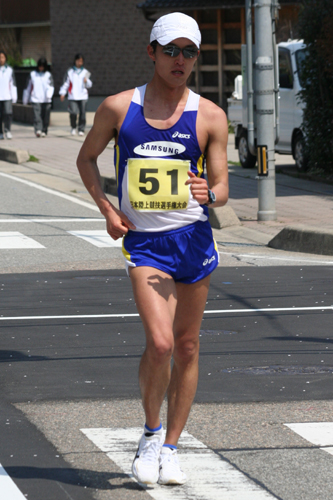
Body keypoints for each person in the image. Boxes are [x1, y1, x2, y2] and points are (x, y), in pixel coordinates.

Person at [76, 12, 228, 486]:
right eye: (171, 51)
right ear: (151, 52)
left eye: (189, 52)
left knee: (186, 345)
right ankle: (149, 431)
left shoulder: (209, 115)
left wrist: (210, 193)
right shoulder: (120, 108)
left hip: (194, 240)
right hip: (144, 244)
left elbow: (222, 187)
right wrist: (106, 208)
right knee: (160, 343)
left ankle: (171, 448)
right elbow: (86, 158)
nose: (180, 60)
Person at [59, 53, 92, 136]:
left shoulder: (86, 72)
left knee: (83, 113)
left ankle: (81, 129)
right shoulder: (70, 72)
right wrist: (63, 93)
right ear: (75, 61)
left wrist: (86, 81)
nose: (79, 62)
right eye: (78, 61)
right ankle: (73, 127)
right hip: (72, 96)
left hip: (83, 96)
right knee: (73, 112)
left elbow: (89, 85)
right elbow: (66, 83)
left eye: (81, 61)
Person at [23, 57, 54, 137]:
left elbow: (51, 86)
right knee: (37, 116)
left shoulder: (48, 75)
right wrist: (25, 99)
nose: (41, 68)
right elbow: (28, 87)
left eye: (43, 66)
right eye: (40, 66)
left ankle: (44, 130)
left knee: (45, 116)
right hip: (35, 98)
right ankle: (38, 130)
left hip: (46, 99)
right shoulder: (33, 74)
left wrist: (49, 95)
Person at [0, 50, 17, 140]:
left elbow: (13, 83)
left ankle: (7, 130)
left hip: (7, 96)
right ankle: (0, 133)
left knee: (8, 113)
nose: (1, 60)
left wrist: (14, 96)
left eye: (2, 57)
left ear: (5, 58)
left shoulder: (9, 70)